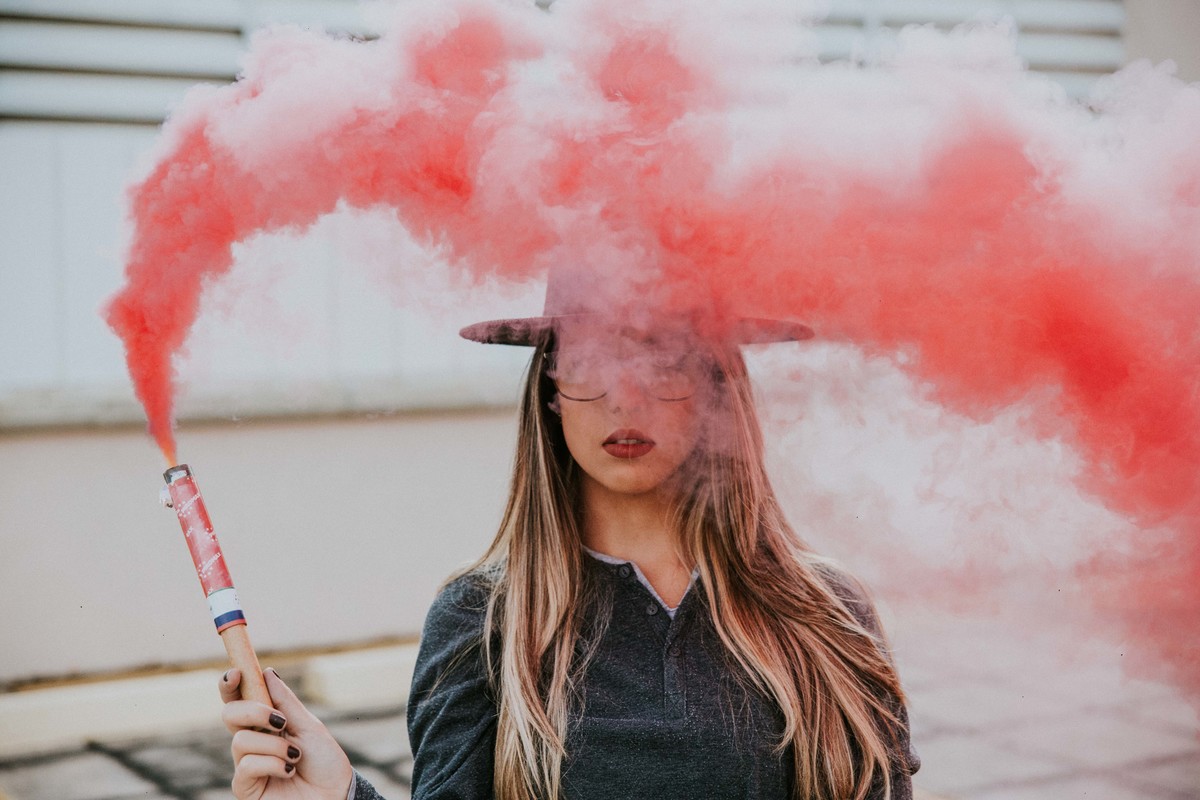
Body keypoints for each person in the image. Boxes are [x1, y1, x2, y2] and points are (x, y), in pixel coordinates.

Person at [218, 272, 921, 800]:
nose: (625, 395)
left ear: (716, 387)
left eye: (664, 360)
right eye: (590, 362)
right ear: (548, 394)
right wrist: (338, 798)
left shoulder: (825, 612)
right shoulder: (481, 619)